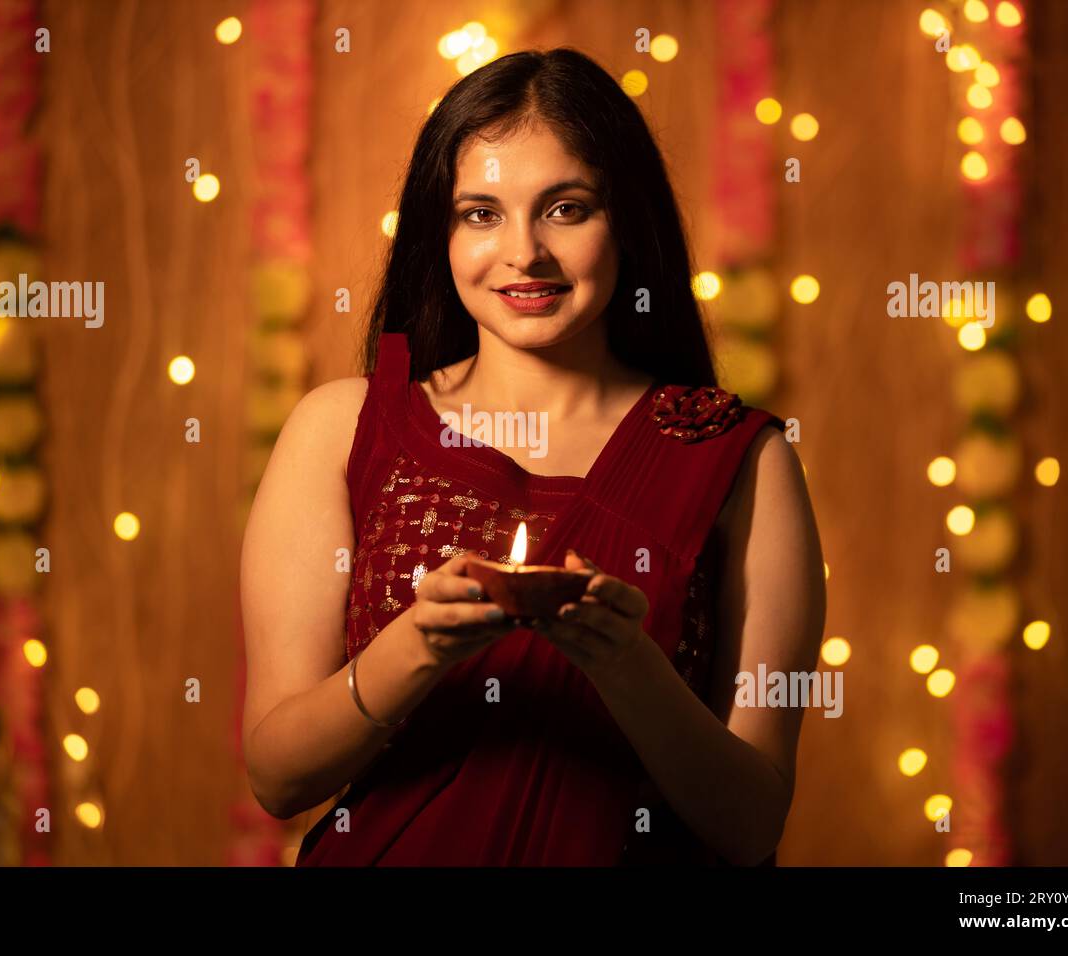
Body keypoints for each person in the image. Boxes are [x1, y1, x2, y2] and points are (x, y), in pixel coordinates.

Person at [240, 48, 825, 866]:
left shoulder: (736, 457)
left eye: (566, 208)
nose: (524, 253)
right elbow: (276, 779)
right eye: (481, 213)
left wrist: (627, 665)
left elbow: (751, 825)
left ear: (627, 219)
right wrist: (420, 645)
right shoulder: (340, 429)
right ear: (436, 231)